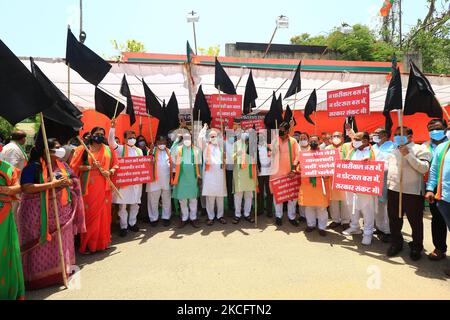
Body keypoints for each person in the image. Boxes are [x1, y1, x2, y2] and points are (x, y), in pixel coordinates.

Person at [19, 139, 86, 289]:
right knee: (40, 247)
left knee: (60, 245)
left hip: (61, 213)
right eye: (56, 147)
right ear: (46, 151)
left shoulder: (63, 165)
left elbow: (73, 179)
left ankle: (58, 274)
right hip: (36, 215)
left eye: (60, 146)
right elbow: (26, 187)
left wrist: (69, 182)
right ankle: (38, 280)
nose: (61, 149)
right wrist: (52, 185)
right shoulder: (33, 167)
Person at [70, 127, 118, 254]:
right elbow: (73, 167)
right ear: (91, 135)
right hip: (89, 188)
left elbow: (116, 164)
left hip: (105, 186)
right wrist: (90, 167)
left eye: (102, 134)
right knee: (90, 217)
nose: (100, 136)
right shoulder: (83, 150)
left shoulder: (108, 149)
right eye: (97, 134)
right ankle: (88, 245)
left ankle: (103, 243)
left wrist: (110, 171)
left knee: (104, 216)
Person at [386, 127, 431, 260]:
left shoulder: (420, 149)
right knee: (394, 219)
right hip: (394, 190)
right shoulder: (393, 150)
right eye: (396, 134)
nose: (397, 137)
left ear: (410, 136)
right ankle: (396, 243)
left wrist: (408, 155)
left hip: (412, 192)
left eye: (401, 135)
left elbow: (423, 168)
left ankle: (416, 246)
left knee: (415, 221)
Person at [108, 119, 143, 237]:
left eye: (134, 137)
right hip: (125, 183)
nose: (132, 138)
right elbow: (111, 142)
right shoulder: (121, 149)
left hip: (136, 183)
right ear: (124, 139)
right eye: (129, 137)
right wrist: (112, 128)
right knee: (123, 205)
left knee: (135, 204)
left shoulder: (139, 150)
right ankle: (123, 226)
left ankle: (132, 223)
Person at [343, 132, 377, 245]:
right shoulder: (352, 151)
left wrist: (370, 163)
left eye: (357, 139)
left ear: (366, 141)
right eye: (354, 139)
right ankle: (355, 227)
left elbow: (382, 167)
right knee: (352, 207)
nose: (354, 141)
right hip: (351, 185)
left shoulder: (374, 151)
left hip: (366, 187)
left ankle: (368, 233)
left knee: (367, 210)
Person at [425, 126, 450, 277]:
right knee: (439, 222)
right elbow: (434, 171)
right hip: (444, 197)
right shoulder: (442, 147)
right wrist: (429, 188)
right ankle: (440, 248)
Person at [0, 159, 25, 299]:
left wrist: (7, 190)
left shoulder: (8, 168)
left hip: (3, 215)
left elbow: (18, 187)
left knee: (4, 251)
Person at [270, 122, 300, 226]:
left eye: (283, 130)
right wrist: (273, 151)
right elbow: (269, 156)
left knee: (292, 197)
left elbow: (298, 155)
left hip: (290, 173)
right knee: (277, 196)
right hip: (276, 173)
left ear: (287, 131)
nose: (281, 131)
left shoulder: (293, 141)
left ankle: (292, 217)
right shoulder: (275, 140)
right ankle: (278, 216)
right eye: (280, 129)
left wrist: (294, 169)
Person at [299, 135, 330, 236]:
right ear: (308, 142)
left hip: (321, 185)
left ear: (319, 142)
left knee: (321, 208)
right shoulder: (304, 155)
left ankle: (322, 227)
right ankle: (311, 225)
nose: (313, 143)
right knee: (309, 207)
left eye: (315, 141)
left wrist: (327, 174)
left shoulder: (325, 154)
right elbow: (299, 168)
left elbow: (329, 167)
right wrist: (299, 170)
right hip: (308, 185)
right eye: (311, 141)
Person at [172, 131, 202, 228]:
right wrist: (177, 140)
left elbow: (199, 165)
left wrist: (199, 177)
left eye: (189, 138)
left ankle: (193, 218)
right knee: (183, 200)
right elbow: (171, 153)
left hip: (193, 178)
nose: (187, 141)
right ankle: (184, 218)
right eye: (185, 139)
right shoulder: (178, 149)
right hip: (181, 178)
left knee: (193, 199)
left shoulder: (196, 150)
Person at [198, 125, 227, 226]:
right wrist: (204, 129)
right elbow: (200, 138)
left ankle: (220, 216)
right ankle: (210, 217)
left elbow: (224, 161)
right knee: (210, 198)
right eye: (211, 136)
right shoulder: (205, 146)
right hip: (209, 177)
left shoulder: (221, 147)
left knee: (220, 197)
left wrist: (224, 158)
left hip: (219, 176)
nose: (213, 138)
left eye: (215, 136)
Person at [372, 128, 395, 242]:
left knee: (387, 207)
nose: (375, 135)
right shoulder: (373, 147)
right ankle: (379, 227)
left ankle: (388, 231)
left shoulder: (393, 146)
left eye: (377, 133)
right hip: (375, 180)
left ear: (385, 135)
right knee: (378, 206)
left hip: (387, 180)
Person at [326, 131, 351, 230]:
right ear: (331, 138)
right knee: (333, 201)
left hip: (344, 177)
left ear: (343, 138)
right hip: (331, 178)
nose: (336, 137)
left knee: (345, 200)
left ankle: (345, 221)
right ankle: (335, 220)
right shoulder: (327, 149)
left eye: (338, 136)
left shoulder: (347, 147)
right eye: (334, 136)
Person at [147, 135, 173, 227]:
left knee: (166, 199)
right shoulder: (151, 151)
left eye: (164, 142)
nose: (162, 144)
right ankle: (153, 218)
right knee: (153, 200)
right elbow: (147, 163)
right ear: (156, 143)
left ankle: (166, 217)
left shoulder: (169, 151)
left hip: (166, 180)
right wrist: (150, 153)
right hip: (154, 181)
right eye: (160, 142)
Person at [232, 130, 256, 224]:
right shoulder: (235, 144)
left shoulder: (252, 144)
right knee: (238, 195)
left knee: (249, 195)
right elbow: (230, 158)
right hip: (239, 174)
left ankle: (247, 214)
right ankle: (237, 214)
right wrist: (236, 154)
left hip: (250, 173)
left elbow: (255, 157)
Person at [257, 129, 273, 218]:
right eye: (260, 136)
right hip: (259, 173)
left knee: (269, 193)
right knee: (260, 193)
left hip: (269, 173)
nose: (262, 137)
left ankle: (269, 210)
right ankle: (260, 209)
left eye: (263, 136)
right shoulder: (255, 147)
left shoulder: (270, 146)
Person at [136, 135, 151, 224]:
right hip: (137, 177)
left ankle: (145, 215)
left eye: (143, 140)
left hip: (146, 177)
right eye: (140, 141)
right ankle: (137, 215)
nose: (142, 142)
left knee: (145, 197)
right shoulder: (135, 151)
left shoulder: (148, 150)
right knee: (137, 197)